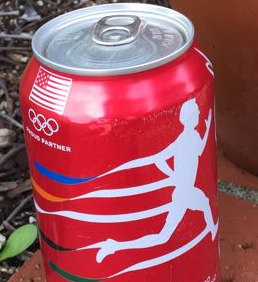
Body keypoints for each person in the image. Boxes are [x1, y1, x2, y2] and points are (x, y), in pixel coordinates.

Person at [87, 98, 218, 263]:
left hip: (184, 191)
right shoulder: (184, 139)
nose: (199, 112)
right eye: (197, 111)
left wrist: (208, 126)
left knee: (197, 210)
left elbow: (199, 150)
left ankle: (114, 246)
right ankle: (115, 246)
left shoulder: (192, 135)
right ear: (189, 116)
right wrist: (174, 175)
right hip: (184, 192)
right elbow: (160, 159)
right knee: (163, 236)